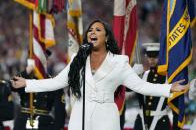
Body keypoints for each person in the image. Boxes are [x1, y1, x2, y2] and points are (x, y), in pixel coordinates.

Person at [11, 20, 189, 130]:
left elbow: (141, 86)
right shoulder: (78, 58)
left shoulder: (119, 62)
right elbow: (57, 82)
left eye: (97, 30)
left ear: (106, 37)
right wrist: (27, 84)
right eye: (90, 30)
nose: (92, 32)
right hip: (80, 113)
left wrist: (169, 88)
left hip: (106, 115)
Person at [11, 50, 66, 130]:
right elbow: (12, 85)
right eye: (36, 59)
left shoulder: (53, 82)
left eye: (43, 59)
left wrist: (57, 127)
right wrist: (26, 72)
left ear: (47, 61)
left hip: (44, 124)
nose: (39, 62)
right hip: (22, 123)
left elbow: (59, 111)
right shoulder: (24, 79)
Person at [133, 43, 171, 130]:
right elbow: (128, 89)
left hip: (160, 120)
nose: (152, 59)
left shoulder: (167, 77)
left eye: (155, 56)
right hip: (143, 119)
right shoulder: (143, 75)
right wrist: (133, 75)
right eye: (150, 56)